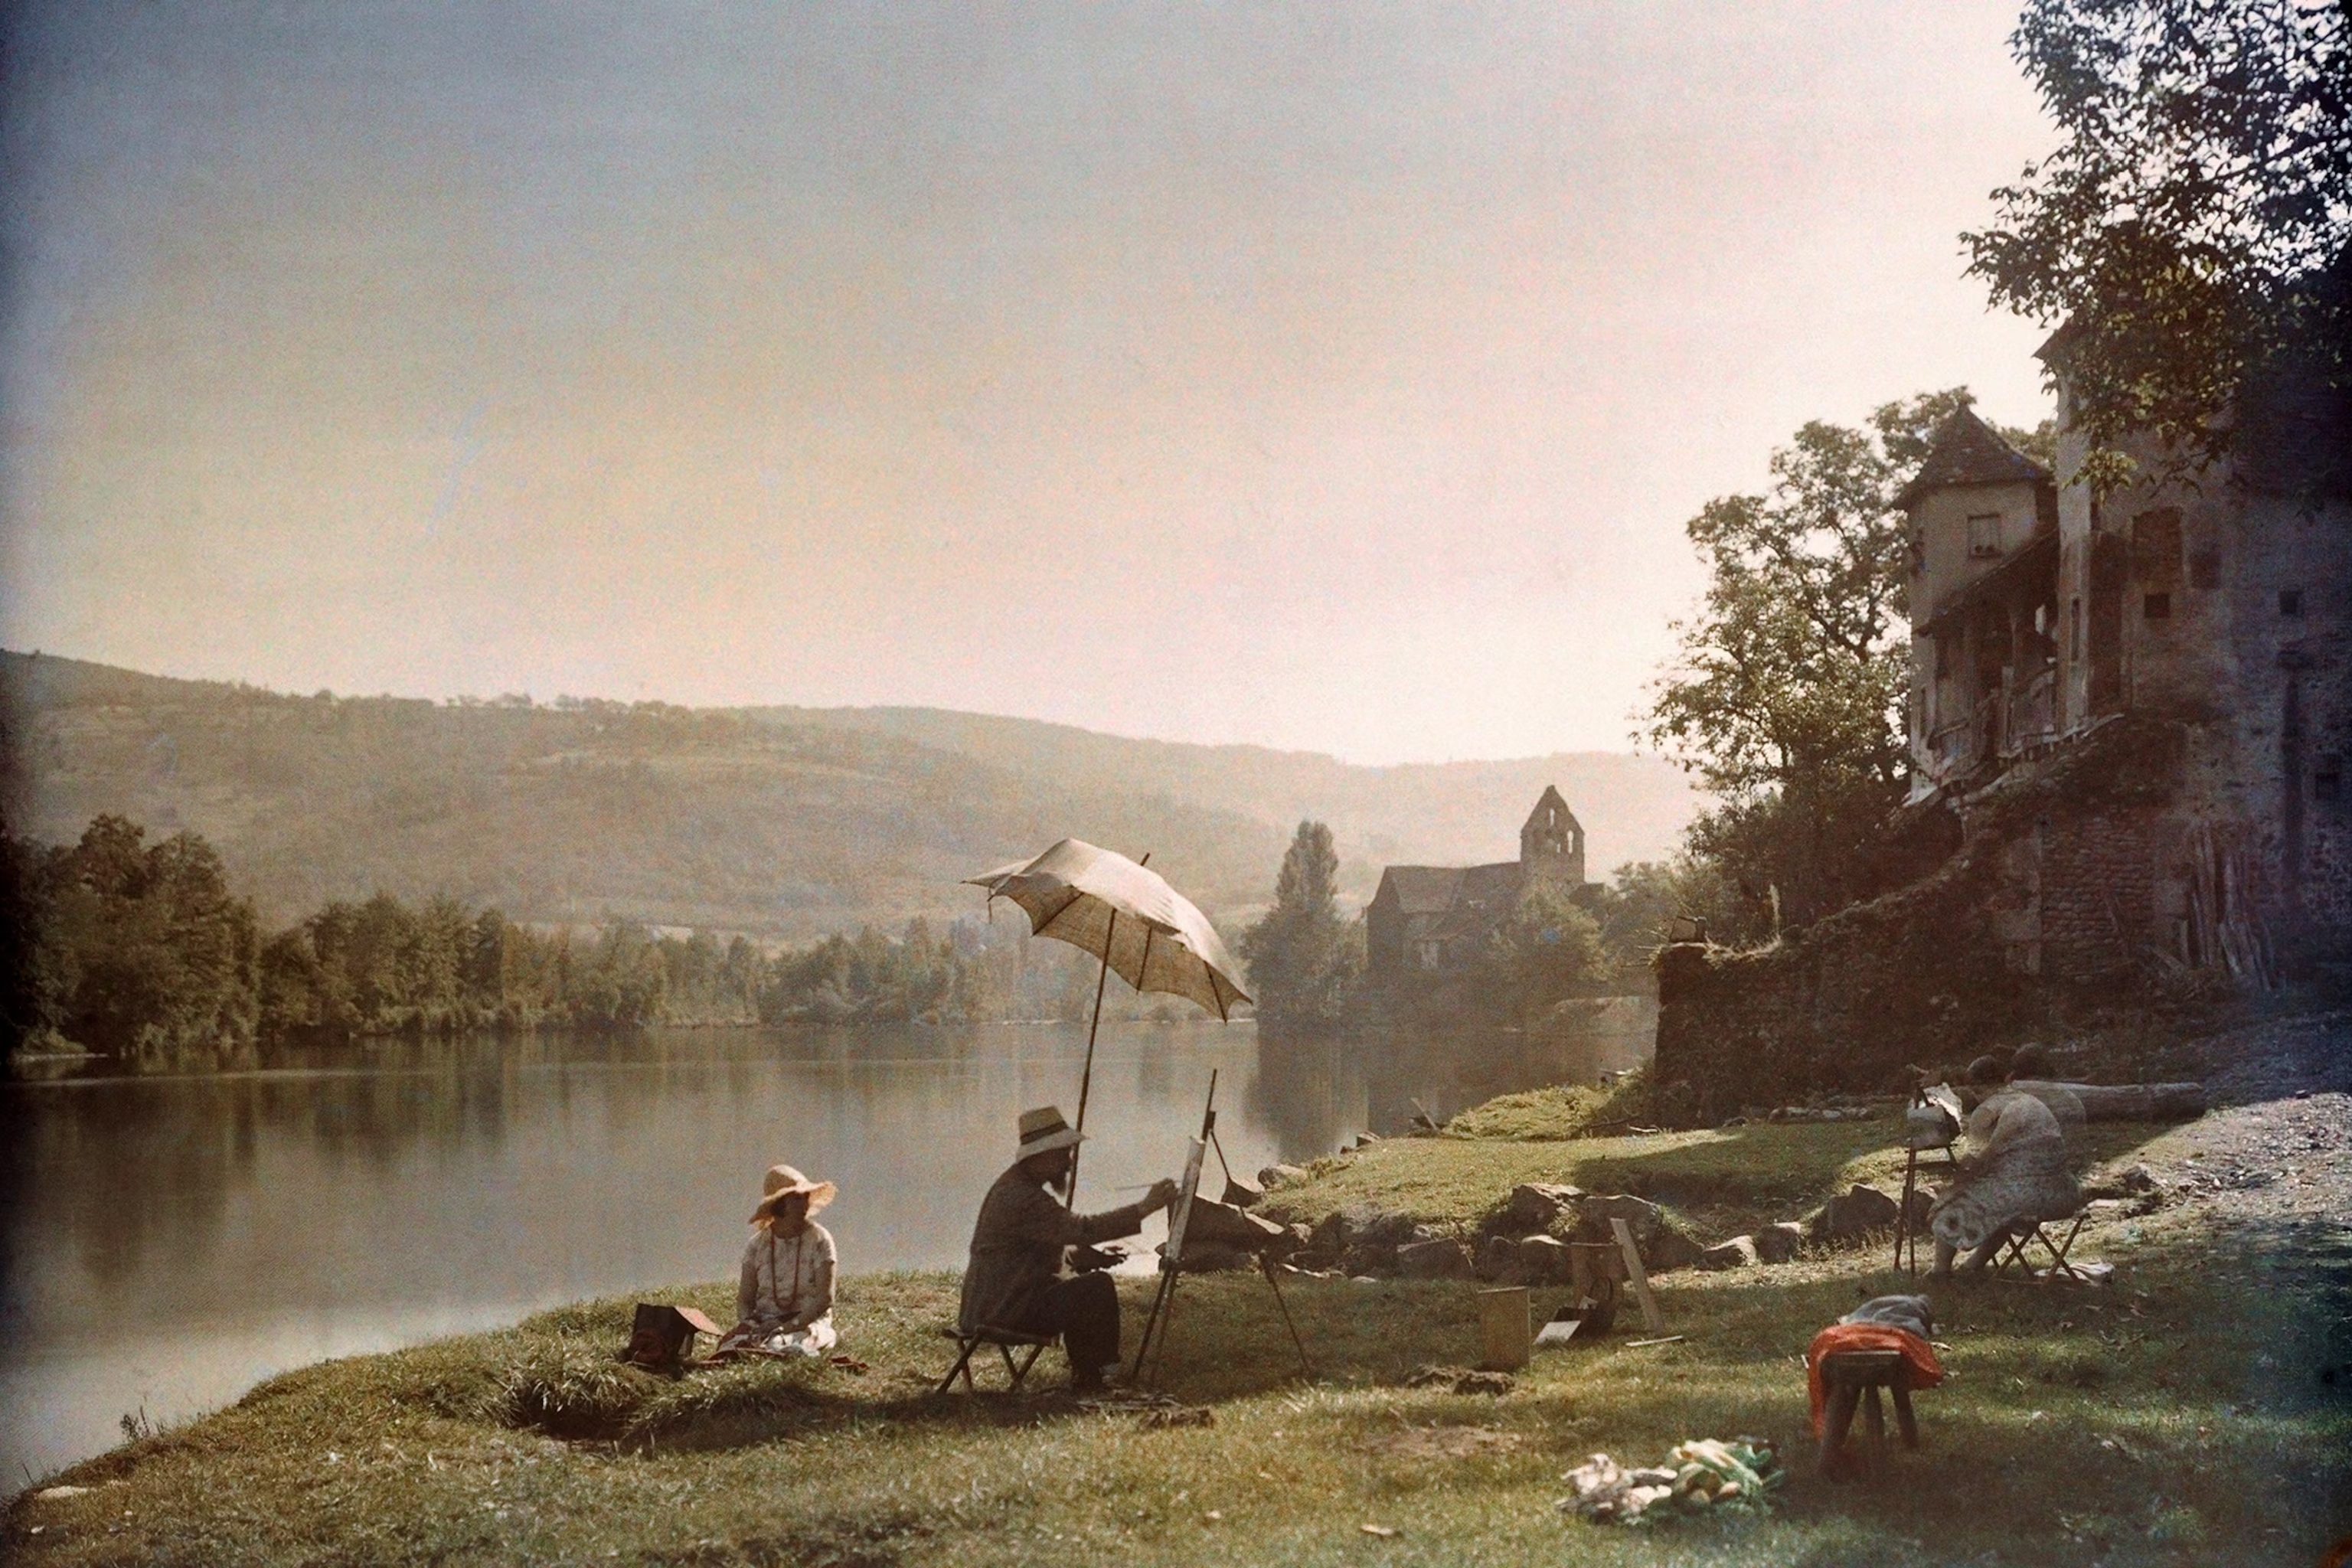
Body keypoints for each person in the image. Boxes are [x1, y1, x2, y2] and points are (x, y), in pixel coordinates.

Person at [960, 1105, 1177, 1393]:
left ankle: (1089, 1375)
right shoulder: (1023, 1198)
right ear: (1042, 1155)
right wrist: (1145, 1207)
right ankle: (1097, 1376)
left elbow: (1031, 1254)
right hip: (1001, 1311)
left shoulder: (1016, 1186)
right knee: (1095, 1288)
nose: (1069, 1162)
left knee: (1082, 1285)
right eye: (1064, 1154)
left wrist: (1081, 1256)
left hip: (993, 1304)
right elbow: (1083, 1229)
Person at [1926, 1056, 2081, 1279]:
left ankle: (1940, 1271)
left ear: (1975, 1087)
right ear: (2007, 1078)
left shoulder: (1988, 1111)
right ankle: (1973, 1267)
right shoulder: (2032, 1103)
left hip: (2027, 1197)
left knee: (1949, 1205)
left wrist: (1953, 1181)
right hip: (2064, 1193)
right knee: (1998, 1207)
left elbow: (1977, 1162)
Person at [719, 1164, 840, 1357]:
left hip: (807, 1321)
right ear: (779, 1205)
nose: (804, 1205)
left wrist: (788, 1327)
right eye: (796, 1199)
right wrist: (750, 1323)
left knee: (781, 1344)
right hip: (765, 1321)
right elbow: (745, 1299)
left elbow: (825, 1299)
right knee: (732, 1346)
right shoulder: (757, 1245)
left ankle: (783, 1350)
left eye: (805, 1198)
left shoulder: (820, 1239)